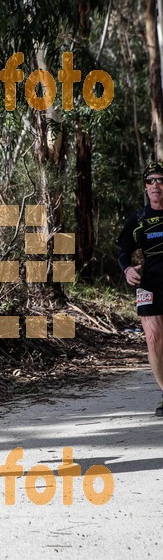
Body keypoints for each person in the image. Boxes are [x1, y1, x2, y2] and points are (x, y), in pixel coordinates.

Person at [117, 161, 163, 417]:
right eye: (151, 181)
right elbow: (122, 251)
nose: (156, 185)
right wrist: (127, 269)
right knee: (154, 338)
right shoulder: (139, 219)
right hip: (149, 283)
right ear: (145, 187)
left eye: (160, 180)